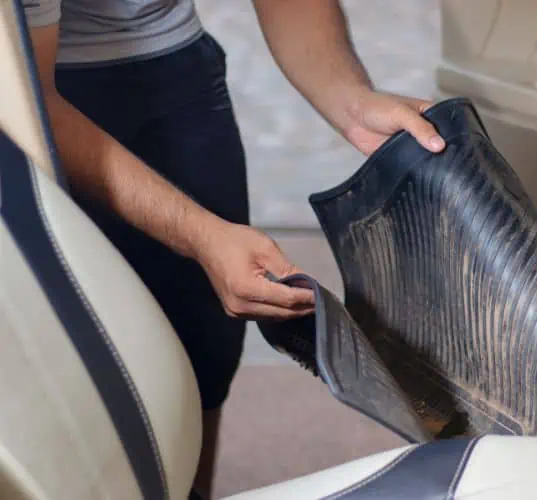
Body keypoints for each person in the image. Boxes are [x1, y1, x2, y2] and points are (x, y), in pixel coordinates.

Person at [21, 0, 446, 498]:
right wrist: (200, 233)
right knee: (69, 378)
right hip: (36, 83)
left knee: (202, 347)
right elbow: (30, 97)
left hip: (173, 65)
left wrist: (351, 99)